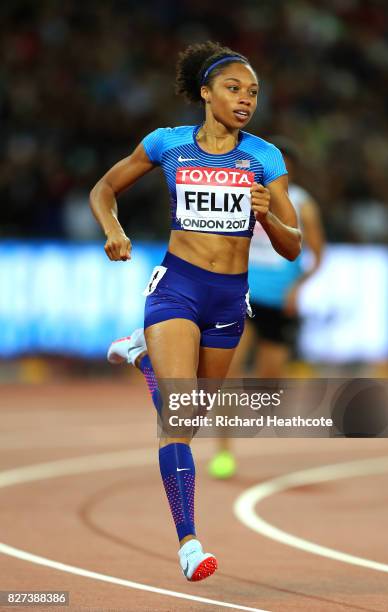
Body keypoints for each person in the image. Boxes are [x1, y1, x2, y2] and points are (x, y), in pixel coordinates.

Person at [90, 41, 301, 581]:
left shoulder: (264, 156)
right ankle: (189, 543)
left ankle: (142, 357)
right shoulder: (168, 144)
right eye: (234, 88)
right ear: (206, 94)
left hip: (229, 299)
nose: (245, 99)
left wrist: (268, 218)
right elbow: (104, 189)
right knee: (177, 425)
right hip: (177, 288)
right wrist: (113, 231)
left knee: (192, 416)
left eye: (253, 92)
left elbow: (295, 243)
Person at [208, 137, 325, 479]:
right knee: (226, 372)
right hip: (240, 294)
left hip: (279, 300)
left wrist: (298, 287)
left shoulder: (302, 204)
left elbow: (319, 253)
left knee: (269, 380)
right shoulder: (240, 194)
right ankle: (224, 451)